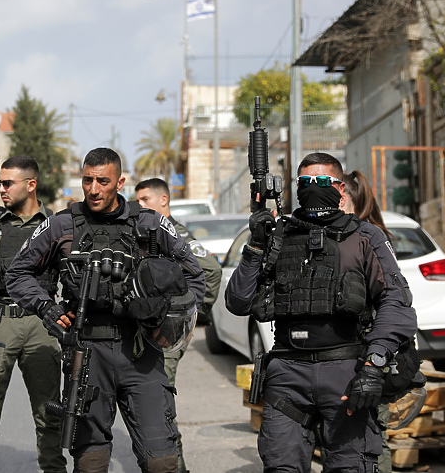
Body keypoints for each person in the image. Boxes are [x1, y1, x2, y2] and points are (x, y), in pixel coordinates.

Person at [6, 147, 205, 473]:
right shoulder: (61, 225)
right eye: (87, 180)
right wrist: (46, 308)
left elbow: (195, 277)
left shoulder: (150, 223)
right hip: (87, 353)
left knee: (162, 459)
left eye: (102, 181)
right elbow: (18, 273)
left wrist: (170, 321)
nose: (93, 189)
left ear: (120, 182)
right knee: (91, 458)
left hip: (142, 351)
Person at [225, 152, 417, 473]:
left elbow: (396, 304)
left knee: (350, 467)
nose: (313, 188)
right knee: (281, 466)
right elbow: (238, 302)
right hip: (287, 373)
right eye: (305, 182)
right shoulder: (278, 237)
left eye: (321, 181)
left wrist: (375, 363)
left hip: (346, 373)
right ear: (295, 188)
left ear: (340, 189)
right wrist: (255, 247)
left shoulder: (365, 238)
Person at [0, 155, 67, 473]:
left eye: (7, 183)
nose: (1, 189)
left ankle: (53, 468)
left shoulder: (56, 225)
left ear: (30, 185)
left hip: (41, 324)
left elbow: (73, 278)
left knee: (49, 412)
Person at [134, 177, 221, 473]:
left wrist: (189, 316)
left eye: (145, 199)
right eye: (138, 200)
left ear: (163, 201)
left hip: (166, 336)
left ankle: (176, 466)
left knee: (162, 406)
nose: (140, 206)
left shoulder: (175, 234)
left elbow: (210, 271)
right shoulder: (143, 233)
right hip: (145, 332)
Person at [341, 169, 394, 473]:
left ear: (344, 197)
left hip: (371, 354)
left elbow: (388, 303)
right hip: (364, 353)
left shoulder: (368, 238)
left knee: (373, 437)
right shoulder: (368, 232)